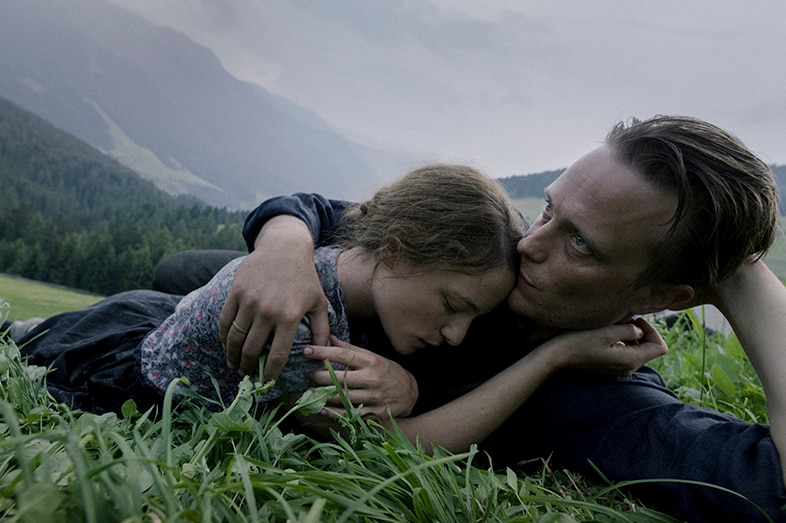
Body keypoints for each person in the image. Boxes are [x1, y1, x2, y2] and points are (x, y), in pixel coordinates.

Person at [153, 115, 786, 522]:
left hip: (281, 377)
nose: (531, 246)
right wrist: (280, 247)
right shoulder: (504, 254)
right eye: (548, 212)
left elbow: (774, 487)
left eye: (581, 245)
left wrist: (744, 276)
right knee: (181, 271)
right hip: (291, 310)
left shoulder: (608, 401)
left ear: (660, 297)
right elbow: (343, 213)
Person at [16, 164, 662, 451]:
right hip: (115, 363)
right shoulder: (302, 323)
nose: (457, 333)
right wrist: (551, 357)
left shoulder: (353, 265)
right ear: (402, 248)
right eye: (452, 305)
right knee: (28, 340)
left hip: (147, 319)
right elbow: (398, 450)